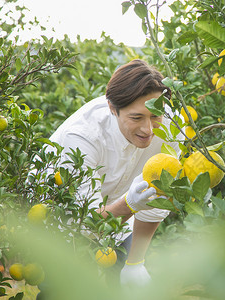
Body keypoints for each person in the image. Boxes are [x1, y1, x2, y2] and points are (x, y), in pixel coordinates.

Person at [42, 59, 179, 291]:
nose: (148, 129)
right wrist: (129, 204)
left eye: (155, 116)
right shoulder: (81, 138)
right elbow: (83, 226)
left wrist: (135, 262)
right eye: (136, 118)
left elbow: (159, 197)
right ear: (112, 108)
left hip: (116, 212)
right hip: (63, 218)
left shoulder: (171, 127)